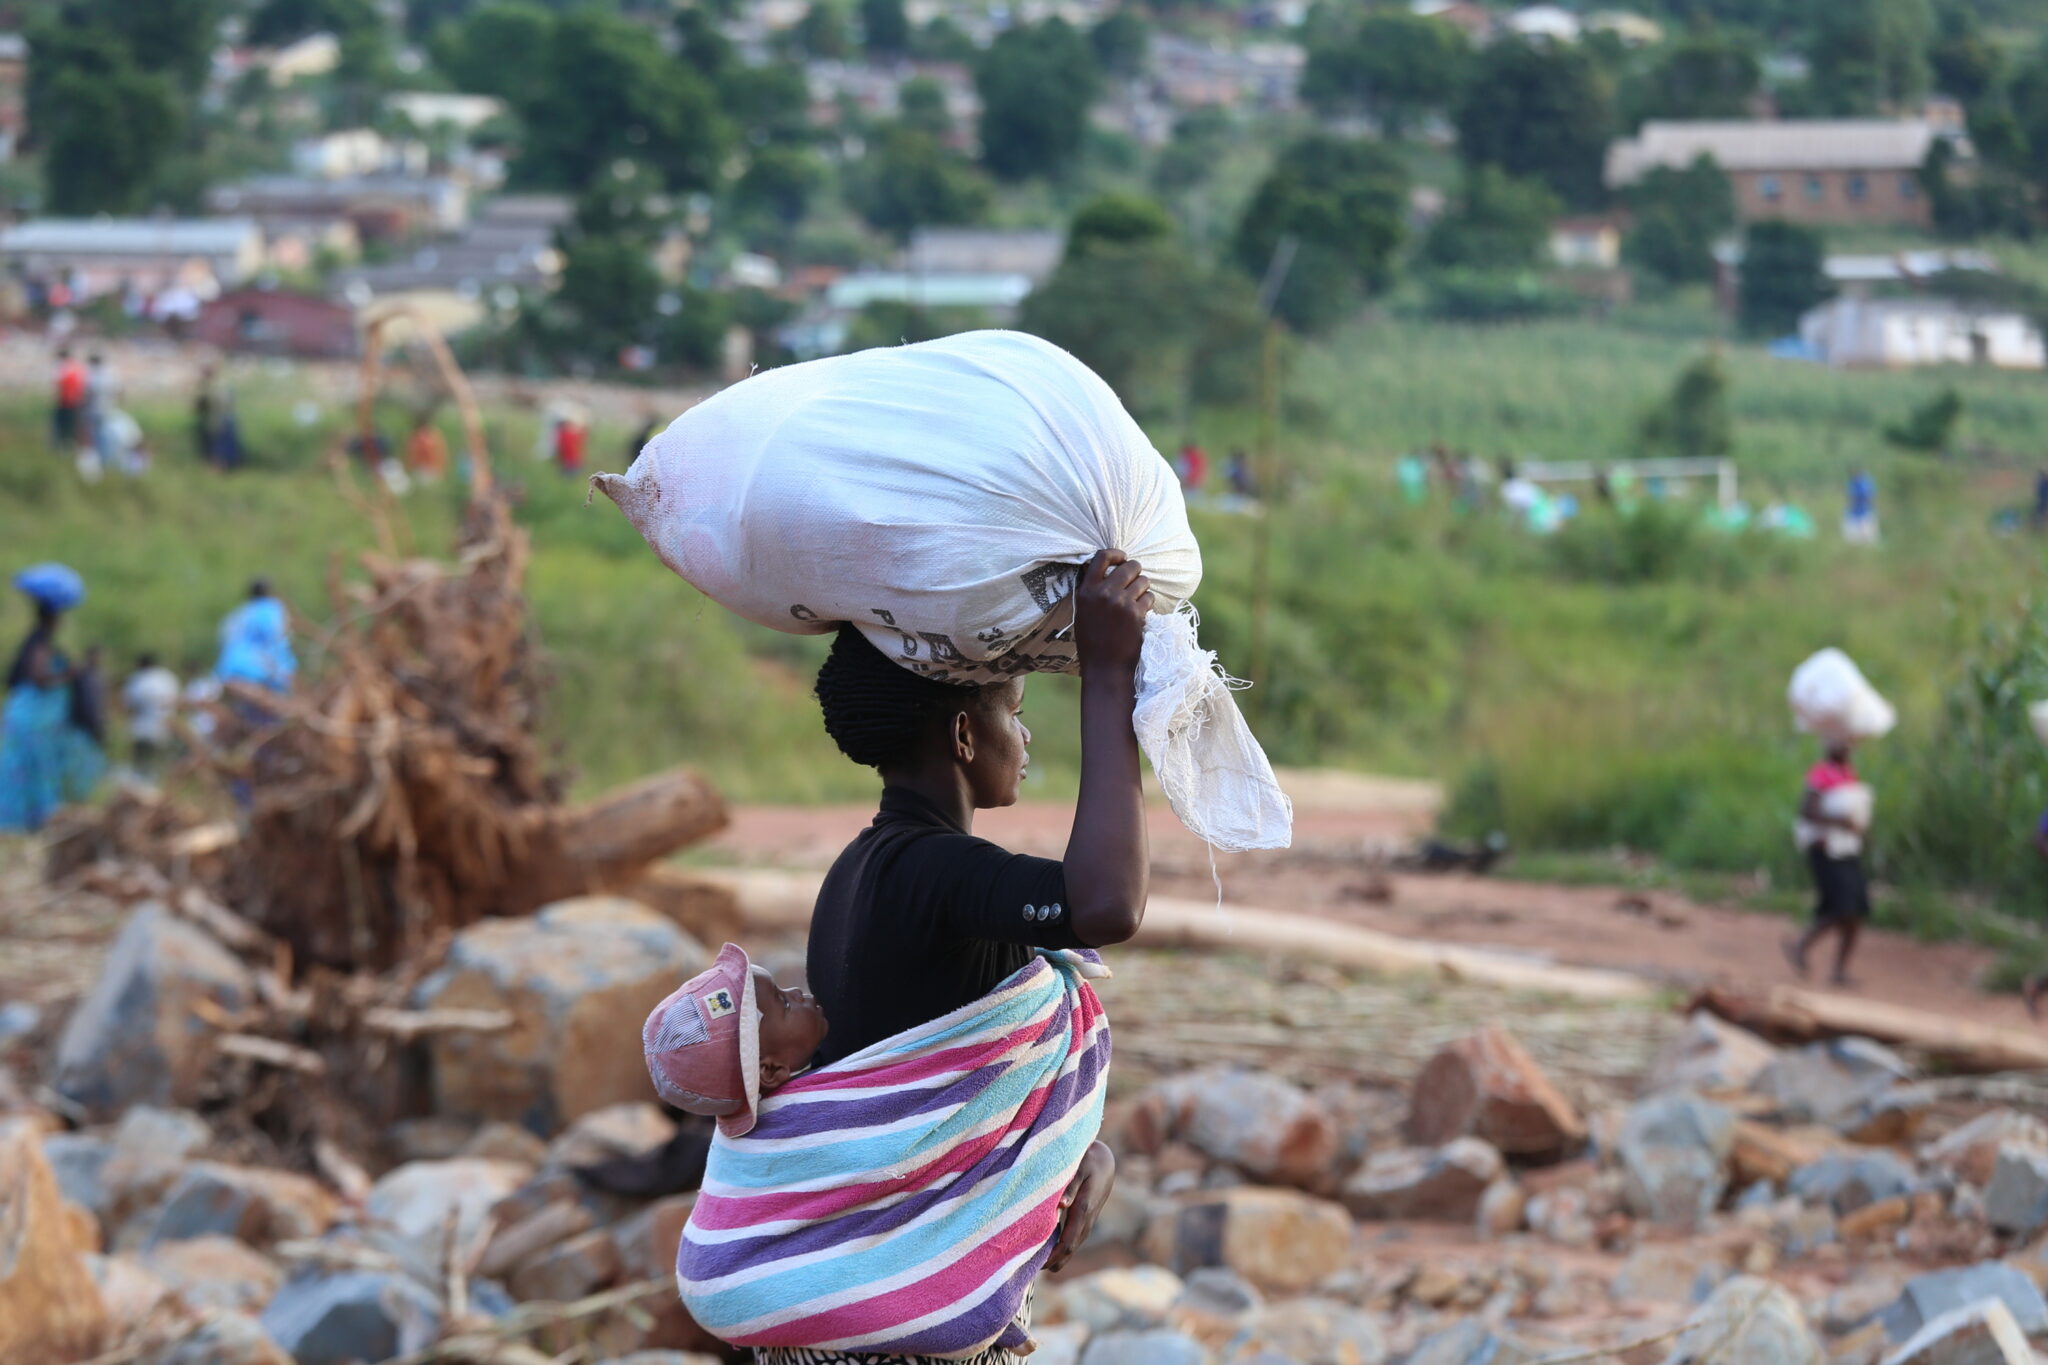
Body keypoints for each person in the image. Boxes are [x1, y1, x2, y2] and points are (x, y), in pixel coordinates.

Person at [0, 564, 105, 832]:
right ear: (56, 616)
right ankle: (32, 820)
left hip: (28, 715)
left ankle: (30, 821)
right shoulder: (41, 642)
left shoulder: (36, 639)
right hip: (34, 720)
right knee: (35, 768)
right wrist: (69, 674)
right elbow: (39, 677)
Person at [1785, 740, 1872, 986]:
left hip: (1846, 850)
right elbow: (1807, 810)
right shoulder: (1821, 774)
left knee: (1855, 910)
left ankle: (1838, 969)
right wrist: (1841, 821)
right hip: (1825, 851)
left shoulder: (1847, 775)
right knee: (1842, 908)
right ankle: (1802, 946)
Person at [215, 581, 297, 696]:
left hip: (229, 668)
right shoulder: (272, 609)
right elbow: (277, 637)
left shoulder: (240, 612)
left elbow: (224, 640)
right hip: (258, 670)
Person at [122, 652, 181, 778]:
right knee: (162, 761)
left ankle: (142, 780)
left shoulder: (137, 679)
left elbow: (129, 705)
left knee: (142, 760)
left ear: (140, 664)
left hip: (143, 728)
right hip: (166, 725)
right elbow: (176, 701)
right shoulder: (167, 677)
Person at [52, 348, 85, 453]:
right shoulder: (77, 368)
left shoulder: (64, 368)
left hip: (66, 402)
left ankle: (64, 447)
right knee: (72, 426)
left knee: (64, 427)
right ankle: (70, 446)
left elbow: (58, 384)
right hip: (75, 402)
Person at [1844, 468, 1879, 545]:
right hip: (1854, 513)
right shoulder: (1853, 484)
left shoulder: (1865, 484)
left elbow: (1869, 498)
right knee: (1854, 539)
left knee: (1868, 539)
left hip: (1865, 513)